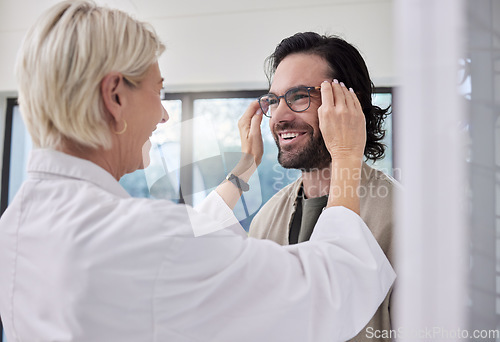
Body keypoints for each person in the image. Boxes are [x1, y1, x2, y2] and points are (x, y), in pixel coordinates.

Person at [0, 2, 395, 341]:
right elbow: (333, 286)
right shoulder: (147, 238)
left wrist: (244, 170)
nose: (163, 113)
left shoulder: (17, 225)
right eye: (158, 92)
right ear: (115, 96)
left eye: (299, 96)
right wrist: (346, 155)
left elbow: (196, 237)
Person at [249, 32, 400, 342]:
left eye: (299, 96)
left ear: (348, 105)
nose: (279, 116)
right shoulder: (266, 220)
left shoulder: (402, 215)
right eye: (274, 100)